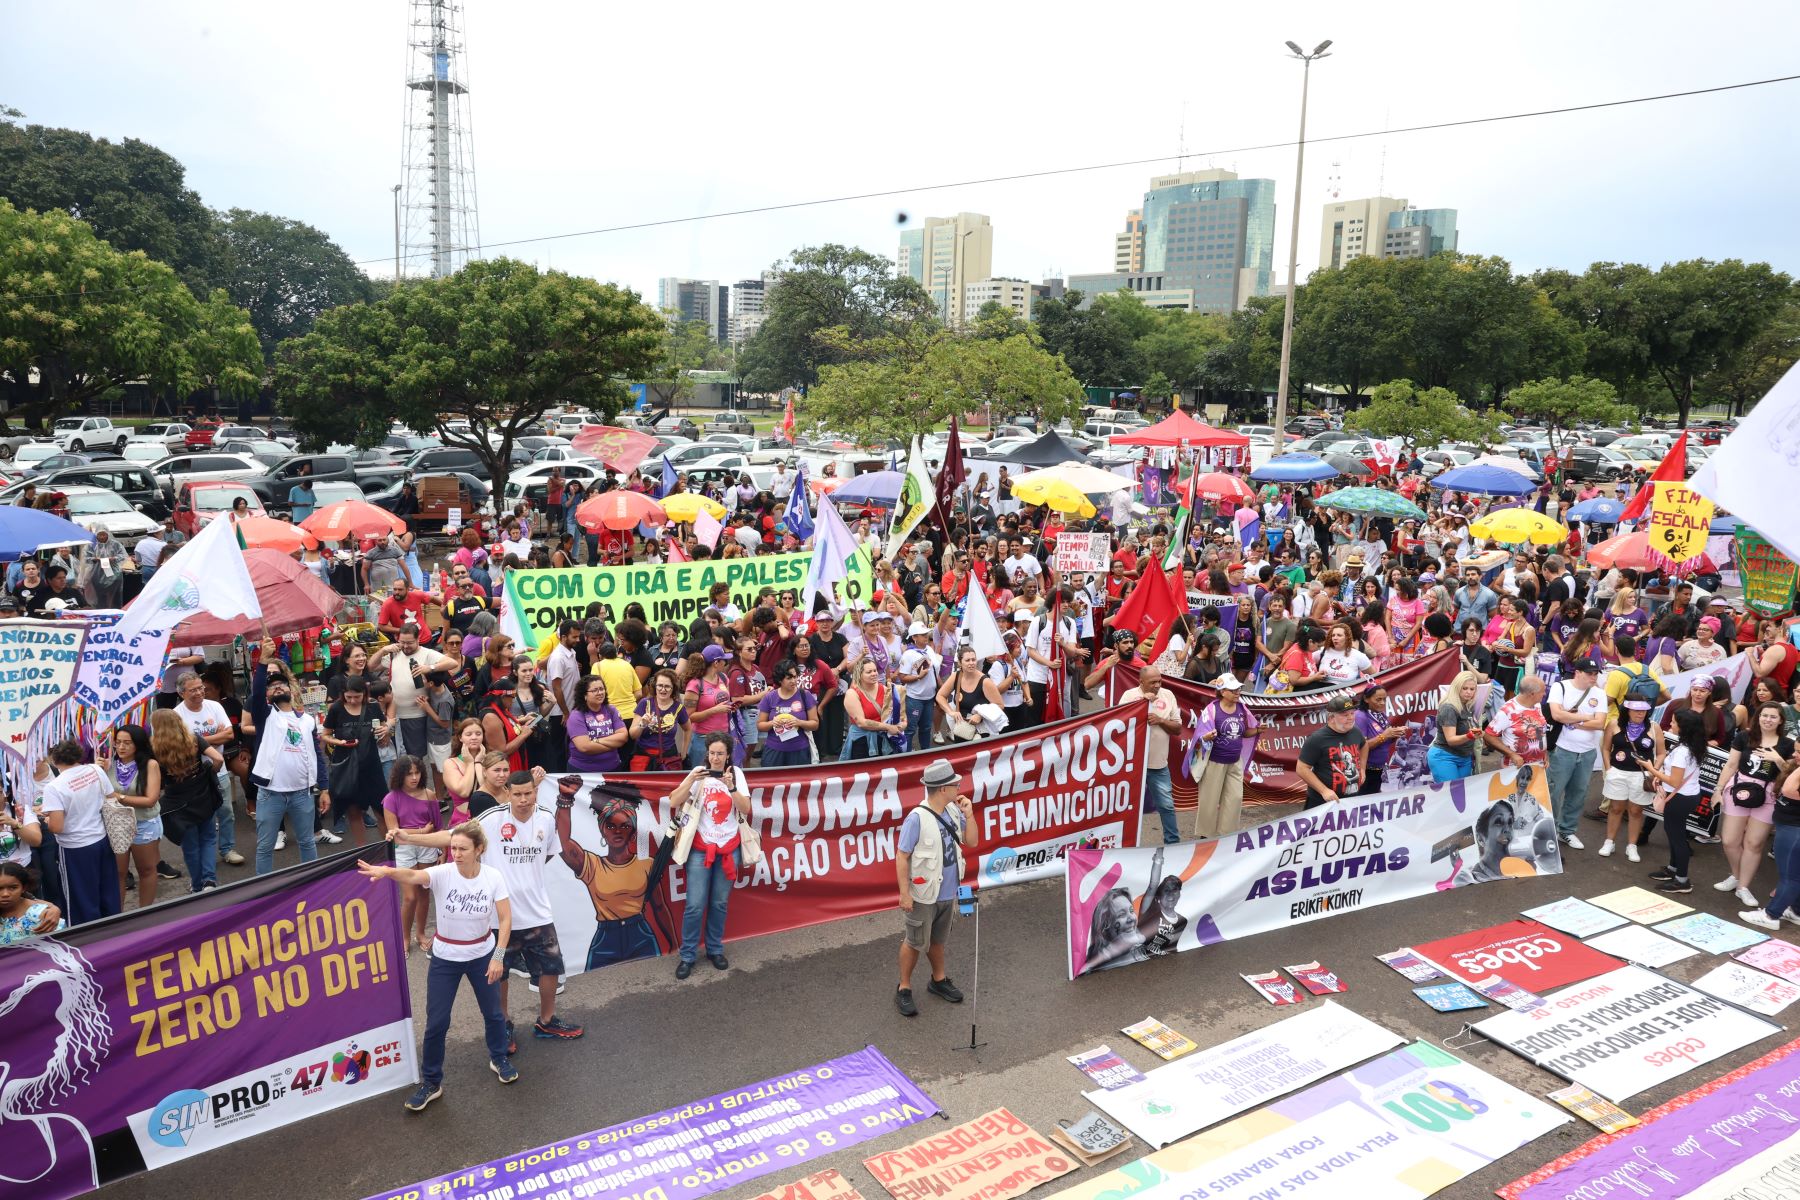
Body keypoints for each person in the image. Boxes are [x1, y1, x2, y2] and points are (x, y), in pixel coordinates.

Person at [396, 770, 585, 1045]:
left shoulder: (546, 817)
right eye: (517, 794)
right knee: (500, 974)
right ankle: (504, 1024)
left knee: (551, 969)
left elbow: (547, 854)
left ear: (535, 791)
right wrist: (408, 838)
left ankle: (547, 1021)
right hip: (498, 916)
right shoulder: (491, 819)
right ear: (508, 793)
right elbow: (451, 837)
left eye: (528, 793)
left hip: (538, 912)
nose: (523, 800)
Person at [361, 821, 516, 1110]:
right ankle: (431, 1082)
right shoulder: (442, 873)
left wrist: (498, 955)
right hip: (446, 958)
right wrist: (387, 871)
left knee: (494, 1013)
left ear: (479, 849)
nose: (455, 853)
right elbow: (413, 874)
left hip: (482, 954)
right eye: (453, 847)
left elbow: (505, 919)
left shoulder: (493, 877)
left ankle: (499, 1058)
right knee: (436, 1022)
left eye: (462, 849)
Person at [894, 758, 977, 1018]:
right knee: (915, 941)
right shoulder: (916, 819)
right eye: (954, 784)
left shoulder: (953, 811)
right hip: (923, 895)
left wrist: (969, 815)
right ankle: (904, 988)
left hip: (947, 892)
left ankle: (938, 980)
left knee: (938, 940)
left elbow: (971, 841)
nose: (958, 788)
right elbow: (901, 856)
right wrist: (904, 893)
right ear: (942, 789)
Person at [669, 736, 750, 979]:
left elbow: (745, 809)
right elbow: (674, 800)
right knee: (694, 905)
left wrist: (731, 786)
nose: (715, 757)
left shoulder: (736, 773)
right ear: (707, 753)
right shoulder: (698, 772)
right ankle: (688, 956)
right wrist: (692, 780)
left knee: (719, 903)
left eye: (720, 753)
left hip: (729, 847)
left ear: (728, 755)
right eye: (712, 753)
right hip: (700, 848)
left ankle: (715, 949)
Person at [34, 740, 123, 925]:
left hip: (75, 848)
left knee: (80, 897)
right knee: (107, 890)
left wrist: (47, 819)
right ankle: (114, 931)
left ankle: (88, 940)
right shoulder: (95, 770)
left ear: (54, 759)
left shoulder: (54, 786)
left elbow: (57, 827)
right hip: (101, 839)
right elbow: (110, 796)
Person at [250, 670, 329, 875]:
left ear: (291, 690)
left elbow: (317, 756)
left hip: (303, 793)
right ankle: (263, 894)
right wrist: (264, 662)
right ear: (267, 694)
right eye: (271, 686)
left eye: (282, 684)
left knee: (308, 842)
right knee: (265, 847)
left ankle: (311, 886)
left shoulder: (308, 720)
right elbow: (256, 692)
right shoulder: (265, 716)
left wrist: (325, 787)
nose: (277, 687)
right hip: (270, 794)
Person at [1714, 702, 1792, 908]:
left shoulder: (1787, 744)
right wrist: (1718, 790)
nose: (1768, 719)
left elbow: (1790, 773)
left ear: (1781, 720)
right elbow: (1731, 764)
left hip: (1768, 793)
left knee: (1754, 843)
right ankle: (1736, 876)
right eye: (1764, 715)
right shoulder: (1744, 737)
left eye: (1773, 716)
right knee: (1730, 840)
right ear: (1757, 717)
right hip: (1740, 788)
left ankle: (1743, 887)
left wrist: (1777, 759)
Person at [174, 670, 242, 866]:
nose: (199, 693)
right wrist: (213, 738)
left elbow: (229, 735)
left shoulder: (215, 706)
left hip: (218, 769)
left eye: (200, 688)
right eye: (192, 690)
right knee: (203, 818)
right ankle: (204, 856)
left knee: (226, 811)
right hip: (193, 775)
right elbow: (182, 746)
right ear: (181, 693)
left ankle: (228, 848)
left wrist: (197, 741)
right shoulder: (176, 715)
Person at [1641, 707, 1708, 894]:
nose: (1670, 724)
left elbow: (1674, 780)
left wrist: (1651, 769)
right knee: (1673, 833)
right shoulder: (1692, 746)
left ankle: (1682, 880)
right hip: (1686, 796)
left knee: (1677, 837)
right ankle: (1673, 869)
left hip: (1680, 798)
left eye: (1674, 722)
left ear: (1683, 727)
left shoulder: (1682, 752)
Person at [1546, 657, 1609, 850]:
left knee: (1578, 794)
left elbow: (1600, 723)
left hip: (1587, 752)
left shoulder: (1599, 693)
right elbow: (1556, 715)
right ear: (1577, 672)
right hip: (1562, 750)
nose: (1593, 677)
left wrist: (1571, 720)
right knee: (1553, 793)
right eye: (1589, 673)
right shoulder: (1560, 687)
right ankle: (1549, 830)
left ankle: (1567, 830)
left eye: (1595, 673)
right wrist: (1584, 717)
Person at [1117, 666, 1184, 845]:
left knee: (1167, 806)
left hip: (1158, 765)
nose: (1157, 685)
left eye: (1159, 681)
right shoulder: (1129, 696)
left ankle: (1173, 843)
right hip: (1132, 765)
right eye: (1152, 682)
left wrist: (1160, 720)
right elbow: (1118, 726)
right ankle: (1123, 844)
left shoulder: (1168, 695)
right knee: (1126, 808)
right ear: (1141, 682)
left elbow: (1177, 728)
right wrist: (1141, 704)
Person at [99, 725, 162, 907]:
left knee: (147, 869)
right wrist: (98, 771)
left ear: (138, 744)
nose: (121, 747)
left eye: (127, 743)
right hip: (117, 824)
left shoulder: (150, 764)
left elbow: (150, 799)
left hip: (144, 823)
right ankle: (117, 916)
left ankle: (145, 914)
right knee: (118, 872)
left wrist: (119, 797)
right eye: (118, 743)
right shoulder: (108, 764)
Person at [1192, 672, 1259, 837]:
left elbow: (1245, 733)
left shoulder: (1242, 709)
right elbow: (1199, 738)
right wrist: (1206, 737)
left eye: (1238, 689)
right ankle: (1205, 836)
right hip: (1215, 762)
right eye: (1233, 690)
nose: (1237, 692)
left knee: (1235, 799)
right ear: (1222, 691)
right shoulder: (1211, 710)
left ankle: (1226, 836)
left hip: (1235, 762)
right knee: (1209, 801)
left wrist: (1257, 730)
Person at [324, 675, 386, 847]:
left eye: (357, 697)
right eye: (348, 696)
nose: (352, 700)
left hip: (371, 765)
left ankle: (391, 852)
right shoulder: (336, 708)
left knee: (381, 810)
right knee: (354, 812)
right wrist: (339, 742)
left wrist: (384, 731)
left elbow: (383, 727)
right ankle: (362, 853)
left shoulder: (373, 706)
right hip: (347, 767)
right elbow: (325, 734)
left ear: (364, 694)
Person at [1598, 697, 1661, 861]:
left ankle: (1631, 846)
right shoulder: (1614, 724)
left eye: (1644, 710)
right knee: (1615, 808)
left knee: (1635, 811)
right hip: (1617, 772)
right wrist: (1608, 768)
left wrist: (1653, 771)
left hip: (1641, 775)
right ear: (1628, 710)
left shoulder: (1654, 727)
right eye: (1636, 710)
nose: (1641, 713)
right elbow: (1605, 748)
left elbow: (1661, 753)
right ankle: (1609, 842)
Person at [1742, 759, 1800, 931]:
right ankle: (1796, 911)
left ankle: (1770, 915)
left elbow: (1788, 789)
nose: (1795, 754)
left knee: (1790, 877)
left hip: (1794, 830)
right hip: (1790, 826)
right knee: (1795, 875)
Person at [1295, 695, 1367, 808]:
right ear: (1331, 718)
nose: (1350, 718)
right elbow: (1301, 768)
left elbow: (1364, 745)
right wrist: (1324, 790)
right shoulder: (1317, 738)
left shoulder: (1355, 731)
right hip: (1322, 802)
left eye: (1352, 713)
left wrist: (1362, 768)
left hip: (1351, 799)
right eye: (1345, 715)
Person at [757, 662, 820, 766]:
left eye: (795, 677)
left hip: (799, 750)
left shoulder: (805, 695)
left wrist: (799, 722)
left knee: (799, 781)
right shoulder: (770, 697)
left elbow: (815, 724)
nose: (793, 681)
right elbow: (760, 725)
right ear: (780, 680)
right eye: (789, 678)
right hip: (774, 750)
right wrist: (773, 723)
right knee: (774, 781)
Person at [565, 676, 630, 773]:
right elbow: (584, 747)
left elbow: (623, 737)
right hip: (584, 771)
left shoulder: (611, 710)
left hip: (613, 768)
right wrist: (613, 744)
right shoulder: (576, 715)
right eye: (594, 690)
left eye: (601, 689)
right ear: (584, 695)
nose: (600, 693)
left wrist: (595, 741)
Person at [840, 658, 901, 761]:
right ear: (859, 675)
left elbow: (896, 713)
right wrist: (888, 727)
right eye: (869, 672)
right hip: (861, 741)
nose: (874, 674)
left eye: (875, 670)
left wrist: (900, 723)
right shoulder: (852, 694)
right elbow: (861, 723)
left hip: (883, 737)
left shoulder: (885, 689)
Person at [629, 669, 689, 770]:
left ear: (673, 688)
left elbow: (687, 729)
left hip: (668, 759)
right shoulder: (645, 703)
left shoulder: (678, 708)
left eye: (667, 686)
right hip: (643, 757)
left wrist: (684, 752)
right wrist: (642, 724)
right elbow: (632, 735)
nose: (663, 690)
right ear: (654, 686)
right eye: (660, 685)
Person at [1429, 671, 1484, 782]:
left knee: (1461, 795)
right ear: (1457, 687)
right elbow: (1451, 740)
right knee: (1449, 795)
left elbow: (1472, 728)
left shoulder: (1469, 704)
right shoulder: (1449, 707)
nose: (1468, 692)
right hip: (1444, 756)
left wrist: (1481, 734)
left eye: (1472, 689)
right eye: (1464, 688)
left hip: (1464, 756)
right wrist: (1470, 736)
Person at [1355, 685, 1406, 794]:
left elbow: (1385, 741)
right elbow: (1360, 747)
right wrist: (1385, 735)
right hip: (1365, 771)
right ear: (1366, 699)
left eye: (1384, 699)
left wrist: (1396, 734)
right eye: (1378, 699)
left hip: (1379, 769)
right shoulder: (1360, 717)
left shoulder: (1381, 715)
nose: (1382, 703)